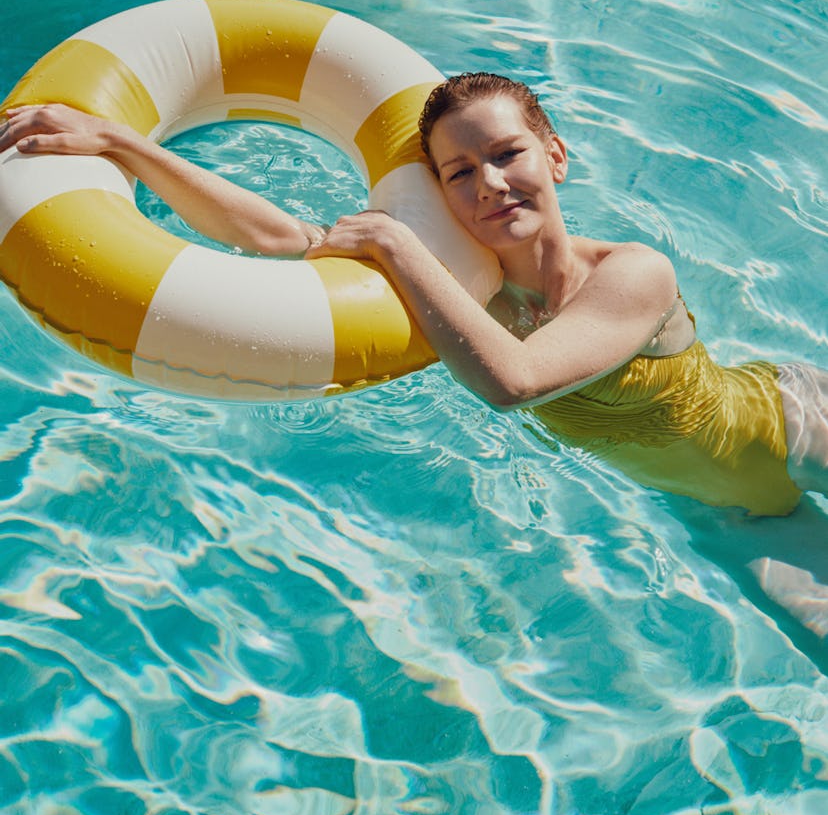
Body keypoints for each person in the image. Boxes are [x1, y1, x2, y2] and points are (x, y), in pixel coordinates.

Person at [2, 75, 826, 515]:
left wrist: (396, 241)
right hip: (719, 506)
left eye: (508, 154)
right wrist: (121, 143)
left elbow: (517, 381)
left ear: (557, 157)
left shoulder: (635, 272)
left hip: (794, 426)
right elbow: (273, 237)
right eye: (459, 173)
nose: (491, 185)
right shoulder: (461, 283)